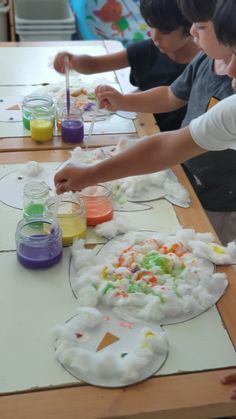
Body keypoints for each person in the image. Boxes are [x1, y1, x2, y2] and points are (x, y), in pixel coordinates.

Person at [94, 0, 236, 245]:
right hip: (183, 176)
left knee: (214, 252)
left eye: (200, 26)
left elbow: (165, 146)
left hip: (220, 200)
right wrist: (122, 101)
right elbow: (172, 95)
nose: (191, 31)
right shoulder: (205, 60)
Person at [53, 0, 198, 132]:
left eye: (164, 31)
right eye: (152, 27)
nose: (154, 37)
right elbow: (95, 64)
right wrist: (74, 61)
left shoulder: (202, 65)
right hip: (141, 126)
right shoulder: (147, 50)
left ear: (192, 26)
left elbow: (170, 97)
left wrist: (122, 101)